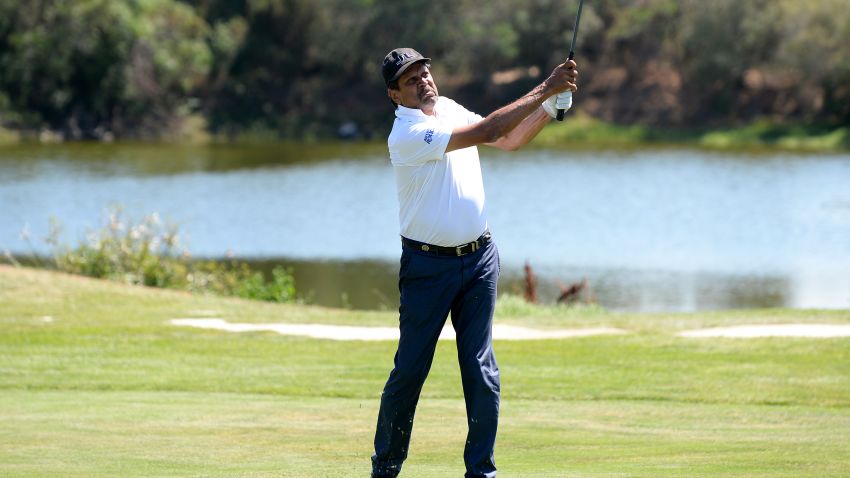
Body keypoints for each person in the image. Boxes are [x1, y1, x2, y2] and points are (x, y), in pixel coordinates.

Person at [372, 47, 578, 478]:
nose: (423, 81)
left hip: (480, 260)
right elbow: (488, 130)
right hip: (428, 269)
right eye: (411, 80)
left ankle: (480, 471)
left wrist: (549, 110)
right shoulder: (406, 135)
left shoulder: (447, 108)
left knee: (482, 370)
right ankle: (387, 466)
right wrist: (547, 87)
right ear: (394, 95)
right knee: (410, 371)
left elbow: (509, 139)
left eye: (424, 73)